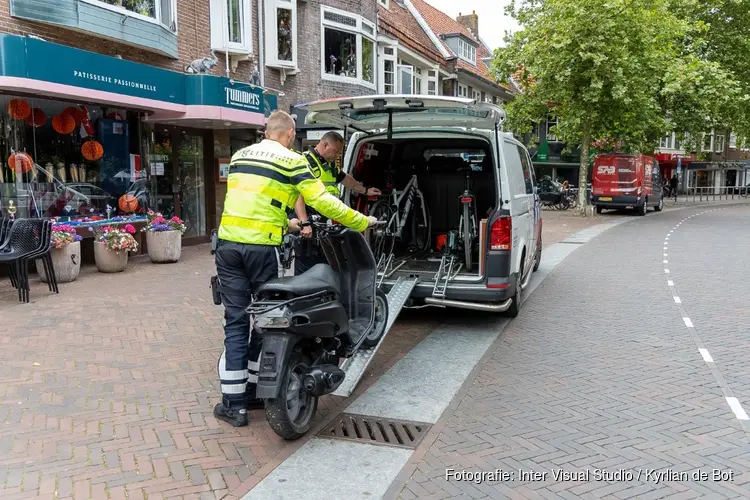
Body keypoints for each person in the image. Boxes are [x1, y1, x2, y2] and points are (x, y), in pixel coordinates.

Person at [213, 110, 379, 427]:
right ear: (289, 134)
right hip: (262, 249)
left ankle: (235, 405)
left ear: (266, 131)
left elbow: (256, 202)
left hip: (228, 247)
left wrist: (289, 223)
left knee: (235, 323)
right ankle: (254, 391)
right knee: (267, 319)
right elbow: (325, 202)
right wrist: (361, 221)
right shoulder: (291, 160)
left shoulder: (238, 157)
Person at [293, 131, 381, 276]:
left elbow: (345, 179)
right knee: (307, 269)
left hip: (323, 224)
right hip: (308, 225)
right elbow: (298, 196)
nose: (337, 155)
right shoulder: (306, 162)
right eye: (335, 151)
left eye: (340, 153)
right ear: (324, 144)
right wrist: (304, 222)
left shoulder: (329, 165)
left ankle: (324, 295)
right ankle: (306, 297)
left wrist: (365, 190)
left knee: (325, 266)